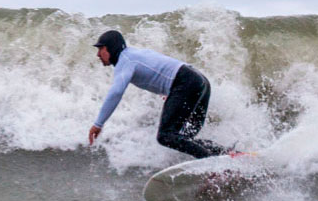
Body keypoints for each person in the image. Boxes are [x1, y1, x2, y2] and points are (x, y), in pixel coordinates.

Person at [87, 30, 230, 159]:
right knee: (183, 137)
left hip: (186, 82)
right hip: (200, 81)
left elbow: (116, 92)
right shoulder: (136, 54)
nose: (98, 54)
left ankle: (212, 165)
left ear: (111, 48)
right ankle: (225, 154)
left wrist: (98, 124)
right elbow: (165, 68)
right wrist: (172, 91)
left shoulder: (126, 60)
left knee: (166, 136)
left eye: (101, 49)